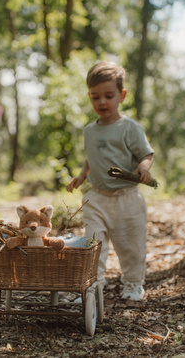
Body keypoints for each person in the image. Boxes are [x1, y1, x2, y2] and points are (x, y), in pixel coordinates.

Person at [66, 61, 154, 301]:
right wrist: (81, 177)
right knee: (93, 245)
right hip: (97, 197)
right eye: (95, 97)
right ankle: (93, 285)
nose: (102, 102)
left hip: (127, 199)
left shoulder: (129, 128)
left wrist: (143, 168)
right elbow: (91, 157)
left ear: (122, 95)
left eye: (108, 95)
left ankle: (133, 284)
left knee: (131, 247)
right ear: (89, 96)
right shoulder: (89, 131)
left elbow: (146, 153)